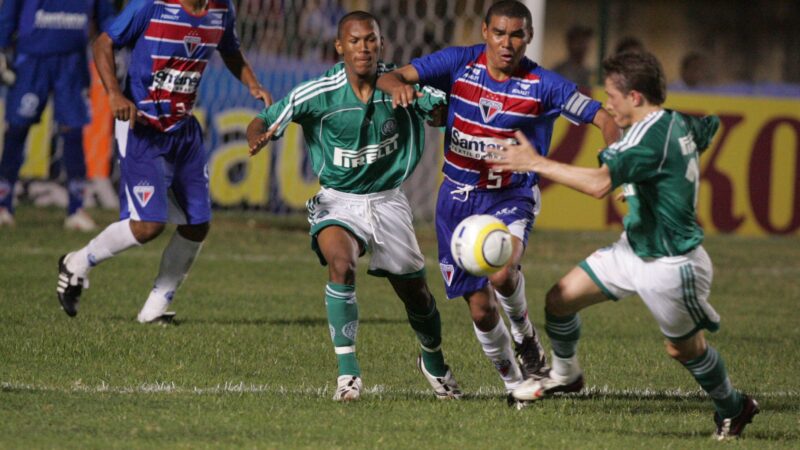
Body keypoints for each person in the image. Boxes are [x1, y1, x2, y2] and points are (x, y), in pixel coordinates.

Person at [490, 51, 758, 440]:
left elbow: (599, 184)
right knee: (559, 299)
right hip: (632, 249)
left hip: (670, 264)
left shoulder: (645, 139)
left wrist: (535, 163)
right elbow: (707, 130)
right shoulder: (674, 121)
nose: (607, 103)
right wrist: (648, 183)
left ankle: (735, 406)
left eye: (612, 95)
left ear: (635, 97)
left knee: (684, 350)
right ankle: (566, 375)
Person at [377, 0, 620, 403]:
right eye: (500, 33)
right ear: (486, 32)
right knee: (481, 310)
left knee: (503, 270)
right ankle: (514, 383)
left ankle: (526, 339)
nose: (508, 43)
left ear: (529, 37)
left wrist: (616, 160)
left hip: (511, 194)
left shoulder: (544, 84)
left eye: (517, 35)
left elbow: (604, 119)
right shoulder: (458, 62)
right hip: (456, 199)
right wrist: (401, 86)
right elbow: (390, 76)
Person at [246, 11, 462, 402]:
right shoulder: (317, 93)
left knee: (417, 295)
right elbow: (262, 120)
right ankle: (348, 374)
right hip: (337, 200)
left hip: (388, 201)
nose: (364, 47)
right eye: (356, 40)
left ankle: (432, 359)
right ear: (340, 46)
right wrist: (258, 137)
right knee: (341, 265)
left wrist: (430, 107)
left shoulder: (401, 85)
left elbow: (443, 113)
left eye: (371, 40)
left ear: (381, 44)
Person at [56, 0, 272, 323]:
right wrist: (114, 93)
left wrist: (252, 83)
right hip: (142, 127)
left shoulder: (222, 10)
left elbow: (230, 48)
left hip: (183, 131)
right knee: (148, 226)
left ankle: (154, 309)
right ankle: (77, 262)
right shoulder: (151, 5)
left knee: (197, 224)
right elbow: (103, 42)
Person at [0, 0, 117, 230]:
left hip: (72, 62)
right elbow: (9, 12)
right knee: (17, 128)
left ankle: (76, 209)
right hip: (32, 60)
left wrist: (116, 44)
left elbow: (107, 18)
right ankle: (3, 204)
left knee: (72, 131)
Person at [553, 25, 593, 91]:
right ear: (570, 43)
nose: (583, 45)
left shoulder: (590, 73)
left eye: (585, 40)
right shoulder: (559, 72)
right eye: (579, 41)